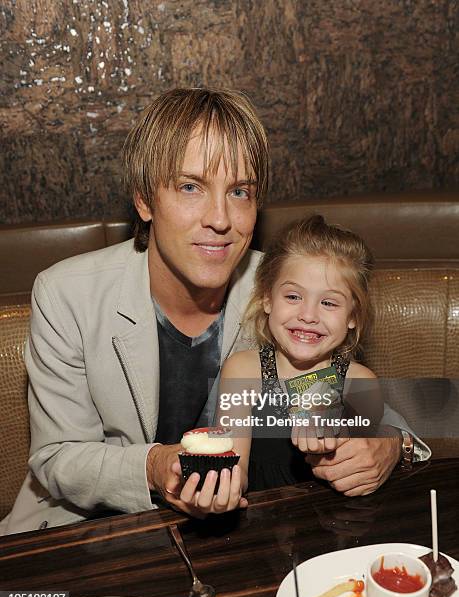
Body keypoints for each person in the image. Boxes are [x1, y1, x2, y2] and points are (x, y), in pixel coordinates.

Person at [0, 87, 429, 536]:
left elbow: (354, 389)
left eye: (240, 191)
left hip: (243, 535)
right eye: (191, 187)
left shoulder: (285, 290)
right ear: (145, 200)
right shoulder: (66, 294)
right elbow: (57, 457)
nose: (221, 218)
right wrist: (154, 466)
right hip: (90, 532)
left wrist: (390, 445)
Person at [218, 215, 425, 494]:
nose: (308, 315)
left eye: (328, 302)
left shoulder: (360, 380)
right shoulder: (242, 370)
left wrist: (337, 429)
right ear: (267, 299)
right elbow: (234, 469)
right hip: (261, 522)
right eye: (293, 297)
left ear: (353, 316)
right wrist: (218, 489)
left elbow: (366, 460)